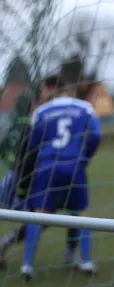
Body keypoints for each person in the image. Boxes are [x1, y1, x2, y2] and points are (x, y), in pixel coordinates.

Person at [20, 76, 103, 281]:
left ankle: (27, 265)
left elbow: (31, 145)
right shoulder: (84, 107)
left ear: (51, 90)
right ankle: (85, 260)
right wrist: (85, 157)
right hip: (74, 165)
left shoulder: (41, 111)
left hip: (47, 166)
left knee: (38, 215)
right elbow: (95, 135)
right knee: (80, 213)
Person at [0, 82, 78, 270]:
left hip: (42, 181)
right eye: (48, 98)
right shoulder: (31, 123)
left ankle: (69, 255)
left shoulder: (56, 123)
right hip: (19, 180)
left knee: (61, 213)